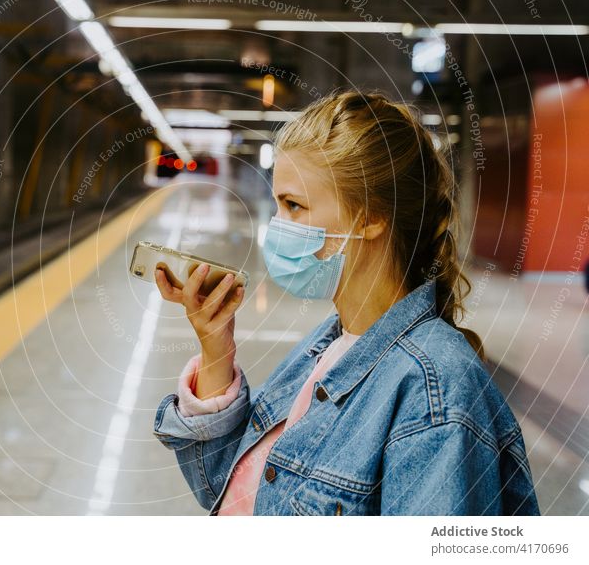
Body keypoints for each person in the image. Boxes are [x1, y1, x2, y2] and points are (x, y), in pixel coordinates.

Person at [151, 89, 540, 516]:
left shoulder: (436, 394)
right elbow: (228, 490)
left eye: (294, 206)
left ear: (371, 217)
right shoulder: (330, 344)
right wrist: (215, 351)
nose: (277, 227)